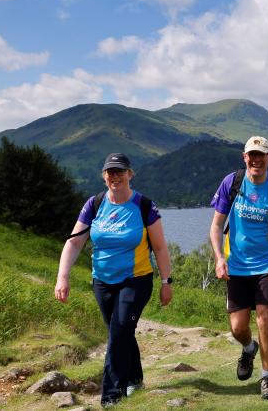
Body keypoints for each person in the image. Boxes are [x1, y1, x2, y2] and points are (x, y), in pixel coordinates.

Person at [54, 153, 173, 407]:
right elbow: (75, 242)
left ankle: (111, 395)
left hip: (136, 280)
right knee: (120, 332)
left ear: (130, 174)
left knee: (118, 332)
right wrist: (62, 278)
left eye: (120, 171)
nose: (115, 176)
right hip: (102, 281)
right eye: (110, 172)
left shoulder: (144, 206)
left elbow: (161, 248)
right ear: (104, 176)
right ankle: (135, 378)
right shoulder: (95, 204)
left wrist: (166, 282)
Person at [209, 136, 268, 400]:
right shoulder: (232, 182)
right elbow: (215, 227)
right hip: (236, 265)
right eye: (252, 155)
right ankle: (249, 349)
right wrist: (218, 258)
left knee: (265, 318)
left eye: (262, 155)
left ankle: (267, 377)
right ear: (244, 157)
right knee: (237, 327)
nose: (256, 159)